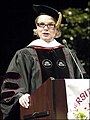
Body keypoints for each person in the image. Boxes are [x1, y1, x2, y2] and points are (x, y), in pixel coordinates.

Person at [0, 4, 88, 120]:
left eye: (50, 25)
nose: (45, 28)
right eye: (41, 24)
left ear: (56, 29)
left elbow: (82, 81)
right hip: (37, 113)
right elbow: (11, 87)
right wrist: (20, 96)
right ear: (36, 28)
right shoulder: (25, 54)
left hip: (70, 113)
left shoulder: (68, 54)